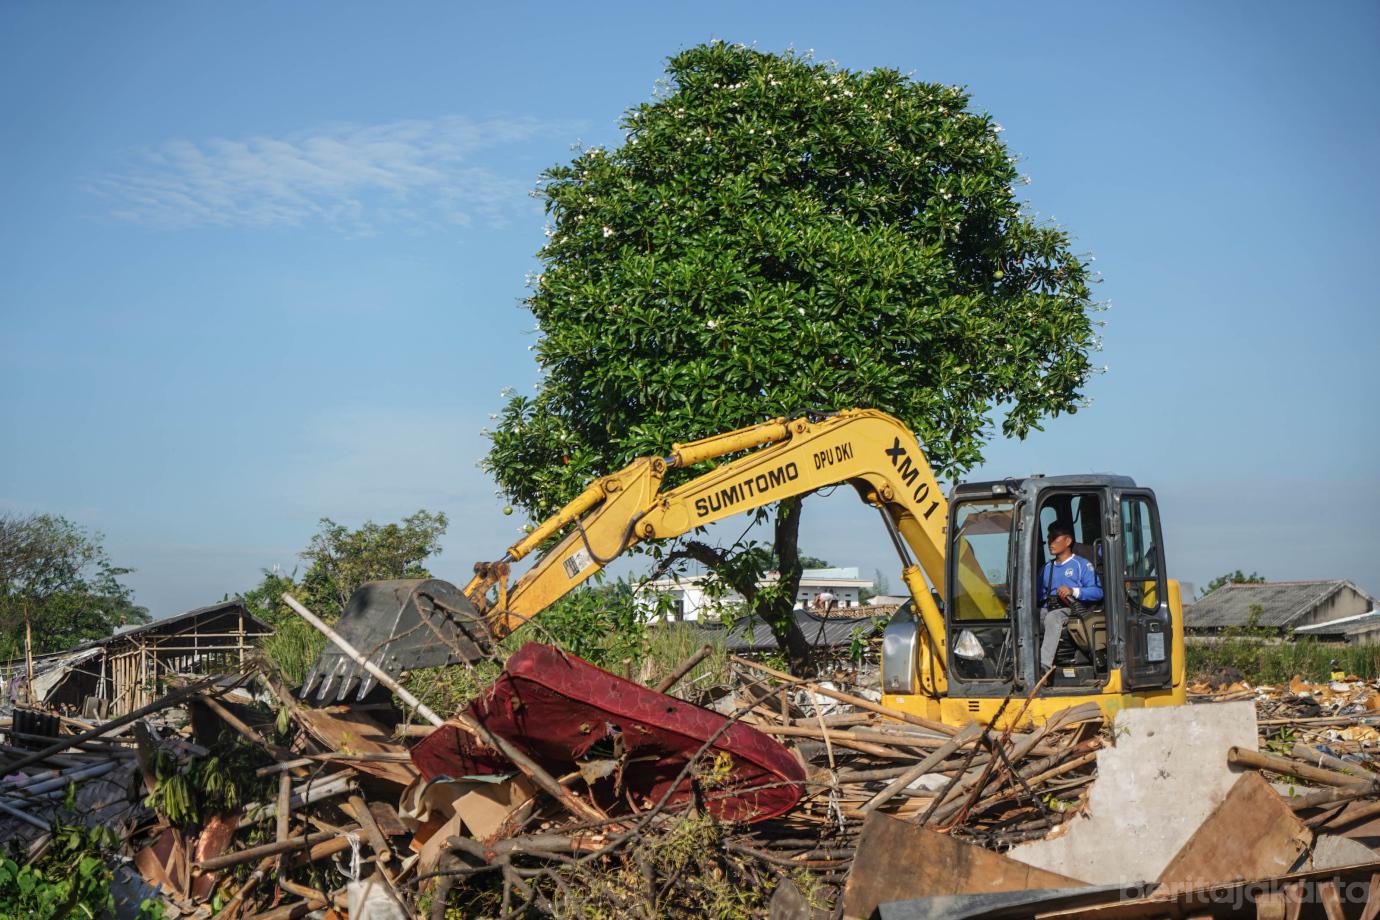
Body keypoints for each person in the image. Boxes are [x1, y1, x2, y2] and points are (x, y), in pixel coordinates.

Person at [1039, 522, 1104, 670]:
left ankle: (1044, 665)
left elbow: (1098, 592)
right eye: (1049, 538)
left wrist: (1073, 591)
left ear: (1068, 541)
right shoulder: (1046, 568)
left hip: (1073, 610)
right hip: (1050, 608)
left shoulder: (1081, 565)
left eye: (1055, 539)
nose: (1050, 543)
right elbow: (1039, 596)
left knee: (1053, 618)